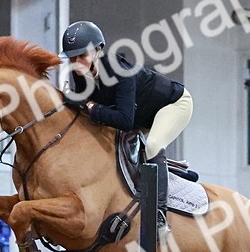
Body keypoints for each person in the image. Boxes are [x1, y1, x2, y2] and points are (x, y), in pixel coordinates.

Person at [60, 21, 193, 236]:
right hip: (140, 112)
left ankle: (159, 215)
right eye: (72, 58)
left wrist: (89, 106)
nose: (76, 63)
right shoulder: (81, 73)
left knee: (153, 145)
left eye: (81, 56)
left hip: (173, 105)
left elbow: (123, 120)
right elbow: (92, 112)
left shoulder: (121, 72)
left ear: (97, 51)